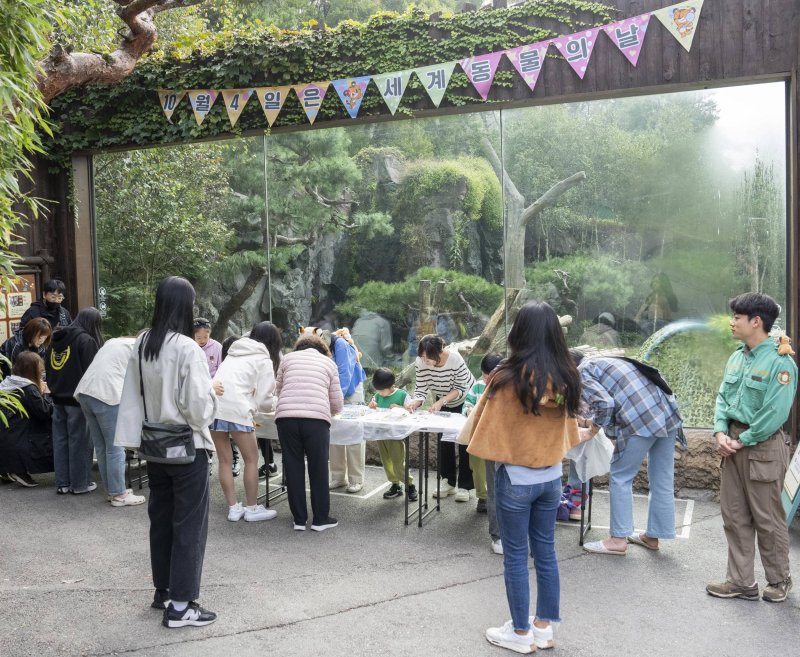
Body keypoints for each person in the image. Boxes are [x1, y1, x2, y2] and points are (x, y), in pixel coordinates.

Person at [466, 302, 583, 653]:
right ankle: (543, 628)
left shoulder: (506, 378)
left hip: (516, 479)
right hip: (551, 478)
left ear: (519, 332)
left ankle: (519, 634)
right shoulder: (566, 377)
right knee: (545, 552)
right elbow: (570, 432)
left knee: (516, 555)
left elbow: (484, 431)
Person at [115, 276, 220, 628]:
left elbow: (131, 396)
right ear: (185, 307)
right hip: (188, 449)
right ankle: (181, 606)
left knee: (161, 521)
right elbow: (198, 409)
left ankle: (164, 592)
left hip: (154, 447)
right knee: (189, 525)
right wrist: (213, 398)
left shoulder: (144, 341)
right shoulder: (188, 347)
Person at [706, 293, 796, 603]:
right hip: (732, 443)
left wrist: (742, 439)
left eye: (737, 318)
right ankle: (741, 582)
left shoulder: (781, 362)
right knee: (734, 515)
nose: (732, 322)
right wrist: (720, 431)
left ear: (755, 321)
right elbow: (722, 397)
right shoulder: (737, 356)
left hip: (762, 447)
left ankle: (779, 579)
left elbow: (775, 412)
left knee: (767, 518)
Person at [577, 351, 684, 556]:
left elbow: (605, 404)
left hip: (641, 418)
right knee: (662, 476)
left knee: (620, 476)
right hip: (668, 414)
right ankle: (653, 536)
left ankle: (617, 540)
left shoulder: (582, 371)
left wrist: (592, 430)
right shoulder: (606, 360)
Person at [211, 321, 281, 522]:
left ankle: (234, 508)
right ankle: (252, 509)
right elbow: (265, 403)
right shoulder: (263, 359)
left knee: (225, 460)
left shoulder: (233, 353)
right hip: (238, 411)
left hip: (215, 408)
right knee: (251, 460)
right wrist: (279, 400)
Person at [275, 333, 343, 532]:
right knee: (318, 467)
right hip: (316, 421)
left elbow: (278, 390)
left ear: (299, 348)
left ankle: (298, 519)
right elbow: (337, 402)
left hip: (286, 419)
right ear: (323, 349)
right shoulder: (328, 363)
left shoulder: (287, 359)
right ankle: (320, 519)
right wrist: (326, 411)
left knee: (293, 466)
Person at [74, 337, 144, 507]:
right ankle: (119, 494)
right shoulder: (142, 348)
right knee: (115, 447)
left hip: (85, 392)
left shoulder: (115, 342)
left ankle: (113, 491)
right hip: (107, 394)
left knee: (102, 447)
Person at [406, 334, 475, 501]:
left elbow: (460, 387)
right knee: (444, 441)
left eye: (428, 357)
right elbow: (421, 387)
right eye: (422, 356)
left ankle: (465, 486)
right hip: (442, 399)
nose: (425, 361)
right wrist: (415, 402)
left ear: (440, 351)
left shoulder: (455, 359)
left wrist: (442, 401)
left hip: (465, 400)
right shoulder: (420, 362)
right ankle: (448, 482)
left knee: (464, 441)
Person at [47, 307, 103, 495]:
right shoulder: (85, 340)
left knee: (61, 441)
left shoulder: (55, 339)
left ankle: (62, 483)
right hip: (77, 399)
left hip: (57, 398)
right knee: (79, 442)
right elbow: (92, 371)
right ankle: (80, 484)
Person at [463, 353, 503, 547]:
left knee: (497, 487)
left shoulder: (503, 385)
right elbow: (468, 405)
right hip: (487, 442)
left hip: (496, 444)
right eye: (486, 376)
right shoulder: (480, 386)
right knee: (486, 478)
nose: (488, 380)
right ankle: (482, 499)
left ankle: (499, 535)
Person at [321, 327, 367, 494]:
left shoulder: (340, 345)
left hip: (351, 389)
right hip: (335, 389)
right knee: (335, 432)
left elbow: (344, 374)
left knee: (354, 432)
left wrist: (335, 400)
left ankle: (356, 479)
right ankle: (338, 476)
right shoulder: (320, 346)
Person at [0, 352, 53, 486]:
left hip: (7, 432)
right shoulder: (28, 388)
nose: (41, 371)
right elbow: (44, 411)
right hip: (19, 436)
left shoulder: (9, 382)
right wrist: (46, 393)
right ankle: (18, 470)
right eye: (40, 368)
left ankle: (8, 470)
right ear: (32, 369)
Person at [367, 368, 417, 501]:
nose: (379, 393)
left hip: (396, 436)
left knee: (398, 463)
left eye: (382, 390)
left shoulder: (401, 395)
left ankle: (410, 485)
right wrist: (371, 407)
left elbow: (411, 412)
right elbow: (373, 410)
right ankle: (395, 484)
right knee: (386, 462)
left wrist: (399, 408)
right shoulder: (378, 396)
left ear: (392, 386)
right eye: (377, 390)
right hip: (381, 434)